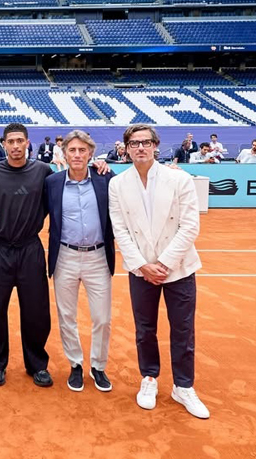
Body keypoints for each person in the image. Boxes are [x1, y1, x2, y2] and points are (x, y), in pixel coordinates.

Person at [108, 124, 209, 419]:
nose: (140, 147)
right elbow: (120, 229)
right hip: (141, 270)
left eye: (146, 142)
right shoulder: (117, 184)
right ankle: (149, 377)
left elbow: (189, 226)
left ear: (155, 145)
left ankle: (183, 386)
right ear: (126, 149)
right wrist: (142, 265)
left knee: (183, 329)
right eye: (134, 143)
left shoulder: (179, 179)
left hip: (179, 269)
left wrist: (163, 264)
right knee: (145, 329)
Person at [0, 123, 55, 388]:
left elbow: (56, 200)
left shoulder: (43, 171)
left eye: (20, 141)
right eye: (11, 141)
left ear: (27, 143)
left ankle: (37, 365)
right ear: (4, 144)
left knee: (36, 310)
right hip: (0, 248)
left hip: (31, 248)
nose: (16, 146)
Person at [45, 130, 116, 392]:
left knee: (102, 317)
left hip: (98, 257)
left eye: (82, 150)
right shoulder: (52, 182)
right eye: (72, 150)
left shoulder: (106, 178)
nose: (77, 155)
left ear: (91, 154)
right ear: (64, 154)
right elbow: (33, 209)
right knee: (67, 316)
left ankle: (98, 366)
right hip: (65, 256)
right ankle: (75, 364)